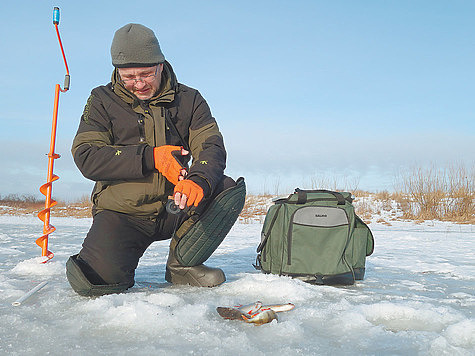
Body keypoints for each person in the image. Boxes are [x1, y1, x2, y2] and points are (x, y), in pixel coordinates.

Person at [66, 23, 246, 296]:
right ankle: (112, 261)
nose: (138, 84)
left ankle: (182, 265)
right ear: (117, 71)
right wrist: (151, 157)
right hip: (122, 214)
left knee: (224, 188)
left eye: (146, 74)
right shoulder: (101, 100)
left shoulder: (189, 99)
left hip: (174, 208)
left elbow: (210, 144)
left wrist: (198, 179)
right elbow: (87, 155)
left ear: (160, 65)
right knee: (97, 283)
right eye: (128, 77)